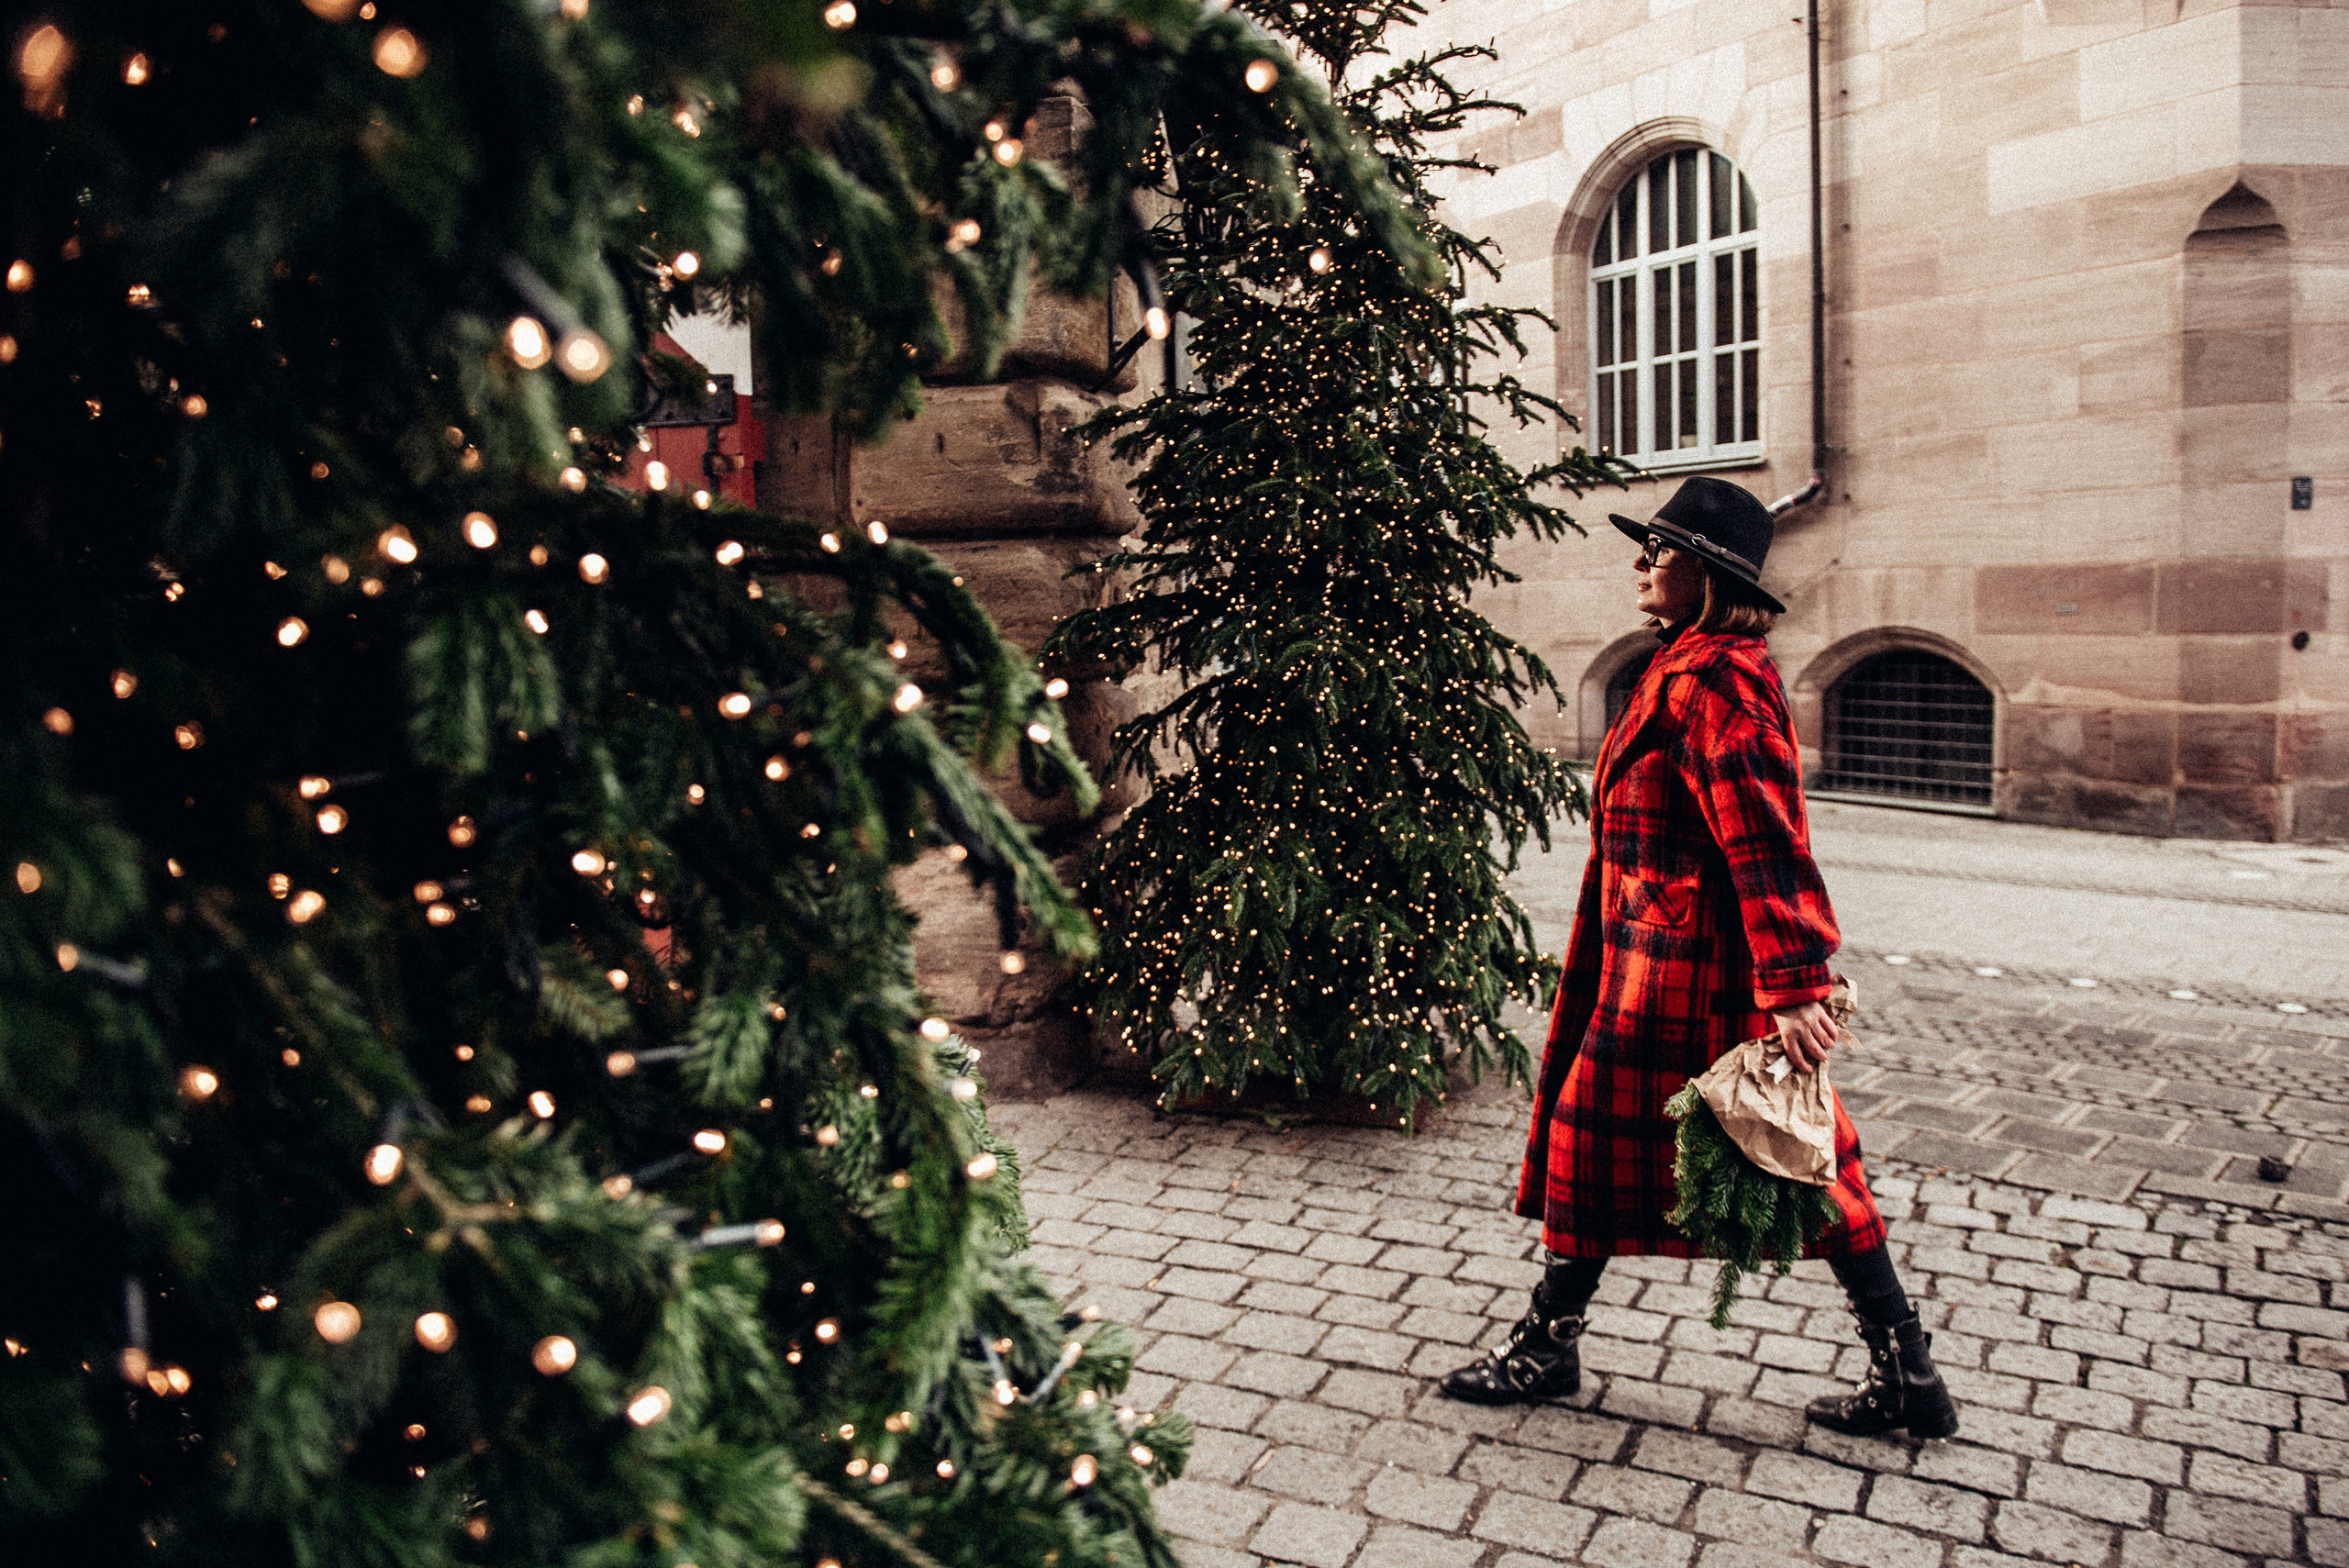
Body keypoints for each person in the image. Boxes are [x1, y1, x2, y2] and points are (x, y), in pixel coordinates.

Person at [1439, 476, 1956, 1440]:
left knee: (1796, 1156)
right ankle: (1555, 1341)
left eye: (1660, 550)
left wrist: (1795, 979)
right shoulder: (1683, 662)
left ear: (1708, 573)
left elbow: (1767, 834)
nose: (1640, 562)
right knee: (1611, 1143)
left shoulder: (1718, 677)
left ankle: (1904, 1370)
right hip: (1652, 956)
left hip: (1696, 971)